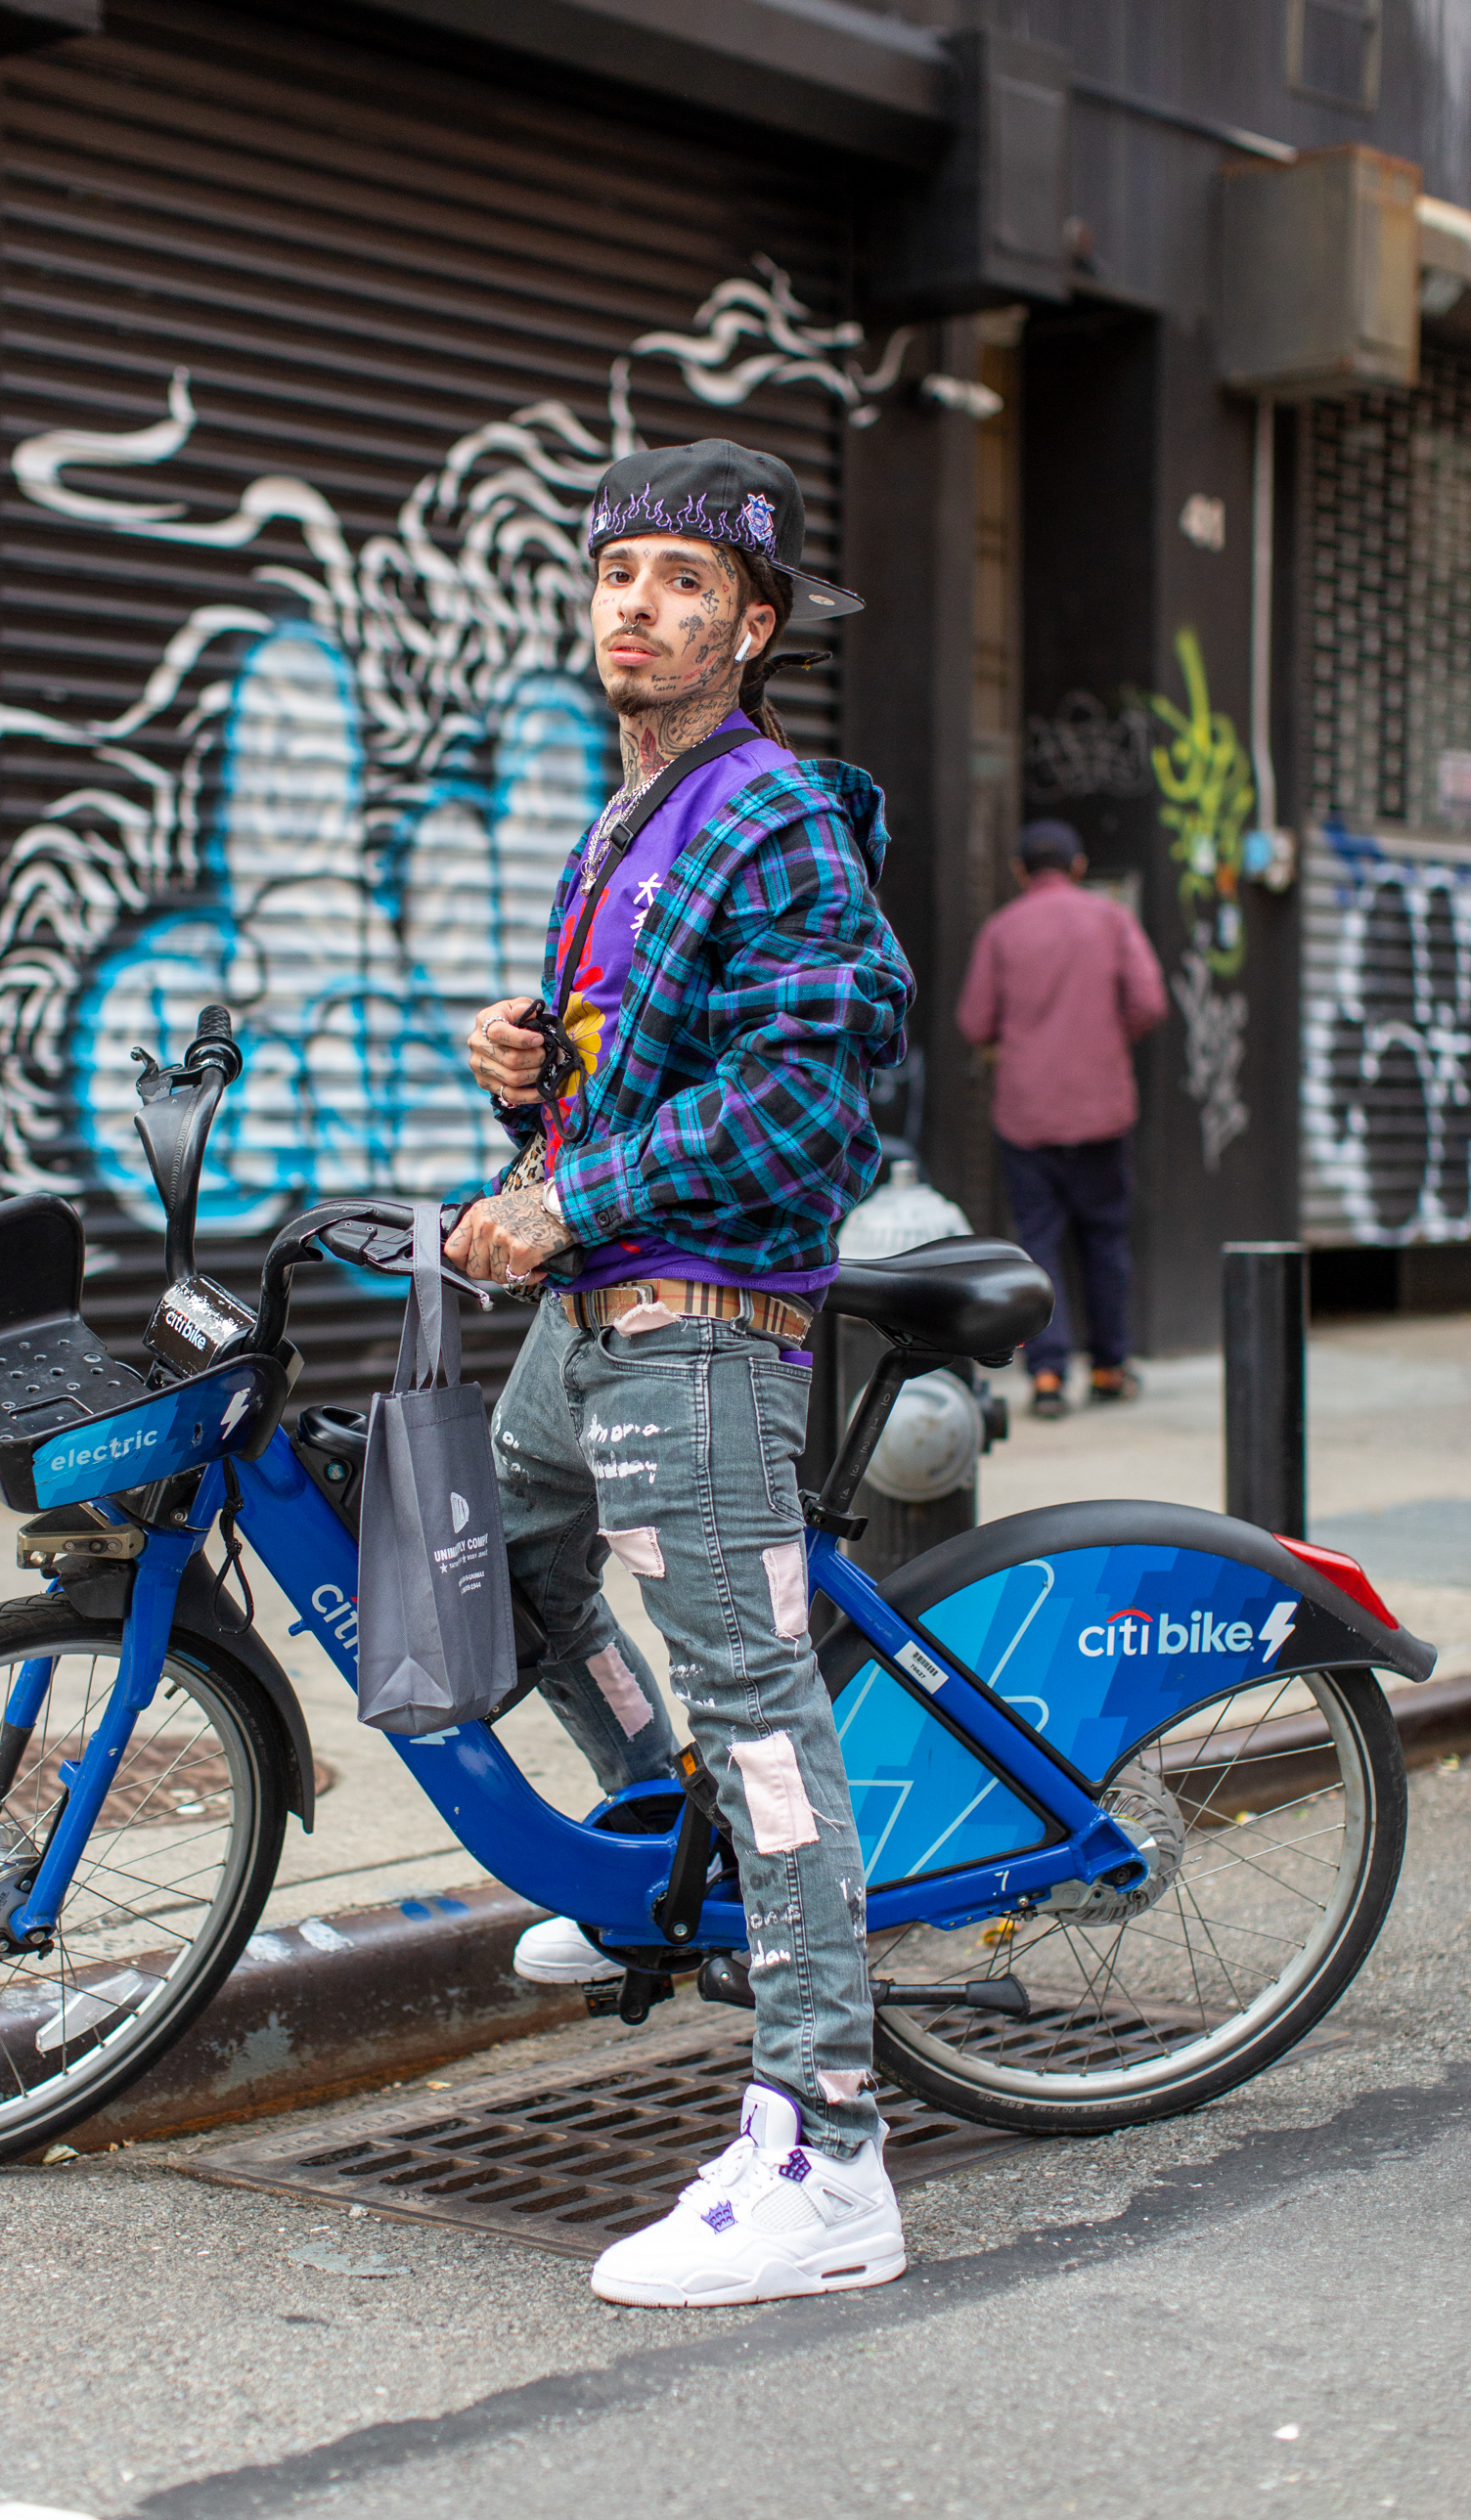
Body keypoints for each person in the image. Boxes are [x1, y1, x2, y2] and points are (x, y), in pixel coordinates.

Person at [444, 437, 914, 2310]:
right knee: (503, 1559)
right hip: (591, 1331)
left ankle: (830, 2152)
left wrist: (574, 1203)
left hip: (701, 1326)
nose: (638, 603)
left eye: (683, 579)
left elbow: (813, 1096)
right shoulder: (626, 814)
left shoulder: (772, 812)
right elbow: (642, 1056)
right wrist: (525, 1073)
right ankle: (667, 1844)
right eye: (616, 570)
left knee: (766, 1720)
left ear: (753, 620)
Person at [956, 818, 1168, 1418]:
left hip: (1026, 1114)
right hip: (1102, 1109)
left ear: (1021, 871)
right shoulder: (1111, 919)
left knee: (1039, 1242)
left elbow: (974, 1023)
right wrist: (1106, 1037)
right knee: (1104, 1241)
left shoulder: (1001, 931)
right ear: (1078, 867)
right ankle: (1109, 1366)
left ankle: (1047, 1377)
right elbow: (1150, 1002)